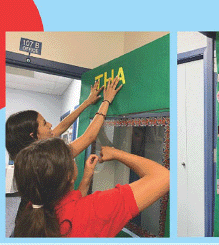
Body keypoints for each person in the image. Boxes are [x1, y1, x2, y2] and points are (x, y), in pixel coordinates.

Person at [6, 76, 122, 222]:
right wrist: (106, 101)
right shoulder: (46, 159)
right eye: (43, 123)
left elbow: (60, 128)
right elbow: (89, 137)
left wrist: (87, 102)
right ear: (34, 135)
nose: (49, 124)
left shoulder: (27, 156)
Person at [13, 138, 170, 237]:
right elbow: (164, 178)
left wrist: (86, 177)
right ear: (68, 175)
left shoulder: (35, 205)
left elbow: (71, 208)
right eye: (71, 158)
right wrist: (117, 153)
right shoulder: (97, 209)